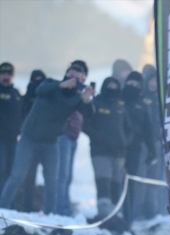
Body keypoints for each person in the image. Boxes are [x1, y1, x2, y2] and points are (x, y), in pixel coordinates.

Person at [0, 63, 95, 213]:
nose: (72, 80)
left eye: (77, 79)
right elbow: (39, 90)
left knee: (52, 181)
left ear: (82, 81)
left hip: (51, 142)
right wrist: (61, 85)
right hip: (29, 138)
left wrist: (86, 100)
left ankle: (50, 215)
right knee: (17, 175)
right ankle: (2, 208)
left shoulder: (77, 98)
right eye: (70, 76)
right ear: (65, 75)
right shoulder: (51, 84)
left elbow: (89, 115)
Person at [84, 76, 132, 210]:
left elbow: (129, 129)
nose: (112, 90)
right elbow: (86, 124)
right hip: (100, 151)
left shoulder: (120, 106)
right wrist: (98, 138)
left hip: (119, 153)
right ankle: (104, 214)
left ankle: (117, 214)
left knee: (117, 184)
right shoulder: (96, 103)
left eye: (115, 87)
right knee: (103, 182)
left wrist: (125, 142)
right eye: (109, 87)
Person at [55, 59, 89, 216]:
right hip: (63, 134)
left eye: (80, 78)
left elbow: (89, 112)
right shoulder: (63, 89)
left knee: (67, 175)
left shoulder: (81, 93)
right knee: (62, 174)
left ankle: (64, 205)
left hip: (73, 136)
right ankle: (61, 209)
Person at [122, 71, 156, 223]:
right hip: (116, 148)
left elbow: (148, 130)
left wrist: (152, 151)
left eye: (137, 85)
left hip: (135, 148)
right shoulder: (117, 99)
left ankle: (128, 216)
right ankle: (114, 214)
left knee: (131, 184)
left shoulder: (142, 105)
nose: (133, 87)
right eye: (131, 84)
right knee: (115, 182)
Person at [16, 69, 46, 212]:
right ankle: (25, 205)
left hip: (47, 141)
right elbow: (20, 116)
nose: (37, 83)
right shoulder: (25, 97)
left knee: (49, 177)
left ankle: (44, 208)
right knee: (26, 175)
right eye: (35, 80)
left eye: (41, 80)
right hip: (28, 140)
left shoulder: (49, 98)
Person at [141, 65, 165, 217]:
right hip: (142, 142)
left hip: (157, 142)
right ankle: (138, 209)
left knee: (154, 178)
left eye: (156, 80)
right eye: (151, 80)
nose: (153, 83)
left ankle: (151, 210)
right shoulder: (141, 96)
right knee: (141, 177)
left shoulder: (162, 99)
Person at [0, 62, 22, 195]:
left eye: (9, 74)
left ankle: (8, 204)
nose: (6, 76)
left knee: (11, 172)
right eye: (3, 73)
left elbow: (20, 114)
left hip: (13, 139)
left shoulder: (16, 94)